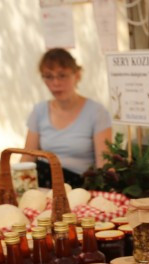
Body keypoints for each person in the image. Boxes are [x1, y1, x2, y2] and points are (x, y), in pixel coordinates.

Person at [23, 48, 111, 188]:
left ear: (77, 75)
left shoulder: (96, 112)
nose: (56, 83)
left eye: (62, 75)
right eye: (48, 76)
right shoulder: (39, 111)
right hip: (44, 184)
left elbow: (104, 164)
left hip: (79, 187)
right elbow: (28, 157)